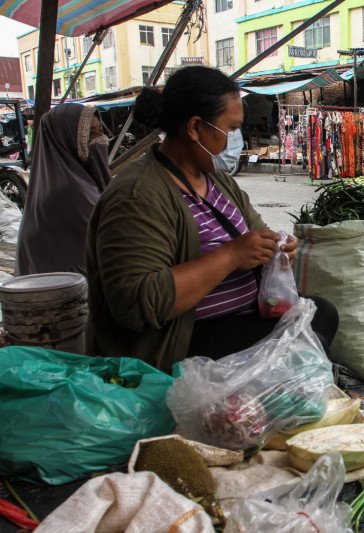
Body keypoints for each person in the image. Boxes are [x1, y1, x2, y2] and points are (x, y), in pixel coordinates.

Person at [85, 66, 338, 372]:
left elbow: (256, 233)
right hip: (179, 341)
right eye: (230, 130)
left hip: (240, 317)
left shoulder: (216, 181)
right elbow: (138, 303)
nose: (235, 139)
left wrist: (276, 246)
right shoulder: (137, 197)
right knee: (302, 348)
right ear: (194, 127)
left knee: (322, 314)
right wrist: (231, 256)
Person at [16, 104, 111, 276]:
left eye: (100, 131)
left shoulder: (64, 181)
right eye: (90, 133)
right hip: (65, 291)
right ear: (67, 137)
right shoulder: (71, 190)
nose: (100, 139)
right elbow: (116, 233)